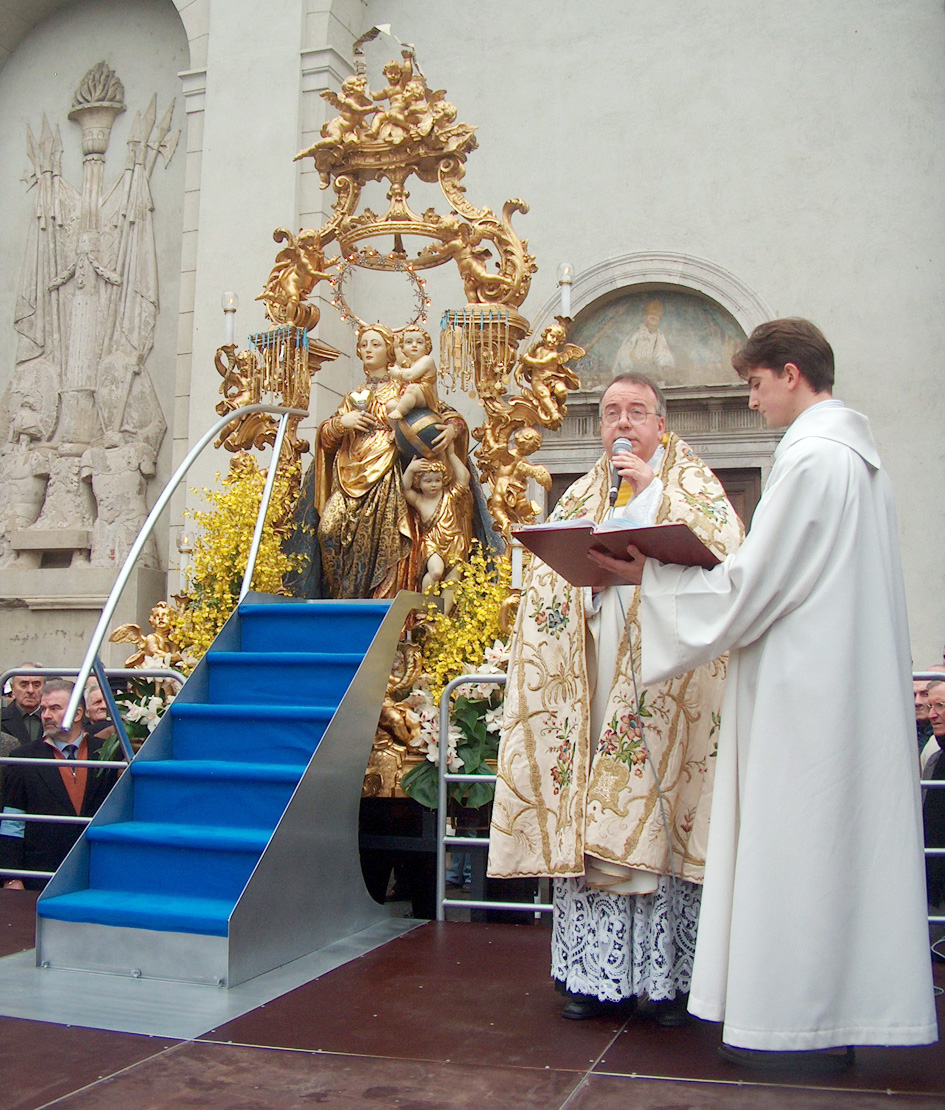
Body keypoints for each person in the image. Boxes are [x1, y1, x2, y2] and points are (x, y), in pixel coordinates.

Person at [590, 319, 937, 1064]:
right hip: (834, 681)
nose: (749, 403)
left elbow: (750, 585)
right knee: (837, 849)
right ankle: (838, 1014)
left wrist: (649, 576)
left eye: (753, 385)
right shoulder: (857, 457)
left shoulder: (811, 459)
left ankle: (793, 1024)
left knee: (797, 847)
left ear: (789, 372)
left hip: (800, 693)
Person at [488, 372, 743, 1023]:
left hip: (666, 695)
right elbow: (547, 587)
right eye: (609, 414)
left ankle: (668, 981)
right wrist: (584, 587)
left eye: (636, 412)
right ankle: (589, 977)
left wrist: (651, 524)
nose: (622, 424)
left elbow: (731, 567)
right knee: (593, 821)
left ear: (661, 423)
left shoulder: (695, 487)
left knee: (655, 824)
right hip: (598, 687)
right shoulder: (581, 492)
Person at [315, 324, 469, 599]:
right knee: (329, 528)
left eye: (375, 344)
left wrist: (453, 429)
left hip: (389, 477)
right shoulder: (353, 396)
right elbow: (326, 437)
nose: (367, 350)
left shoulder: (405, 387)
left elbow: (440, 412)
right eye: (363, 345)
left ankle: (381, 609)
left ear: (390, 351)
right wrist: (342, 423)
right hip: (351, 472)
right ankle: (342, 602)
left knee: (389, 544)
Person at [0, 679, 118, 890]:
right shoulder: (23, 758)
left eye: (55, 708)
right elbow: (12, 823)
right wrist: (11, 876)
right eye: (44, 708)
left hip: (96, 871)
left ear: (78, 713)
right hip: (39, 875)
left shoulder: (108, 754)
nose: (45, 715)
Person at [402, 447, 473, 594]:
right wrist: (410, 470)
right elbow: (404, 490)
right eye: (428, 481)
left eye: (437, 480)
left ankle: (442, 617)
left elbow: (464, 478)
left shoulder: (450, 496)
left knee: (453, 581)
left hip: (454, 541)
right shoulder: (419, 500)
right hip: (432, 542)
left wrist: (451, 453)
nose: (433, 484)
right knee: (435, 572)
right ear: (419, 483)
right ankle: (425, 608)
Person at [387, 326, 440, 423]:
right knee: (391, 405)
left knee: (412, 388)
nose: (414, 345)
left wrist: (397, 373)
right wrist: (396, 346)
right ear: (403, 347)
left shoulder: (427, 360)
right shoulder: (411, 362)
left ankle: (399, 411)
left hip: (426, 395)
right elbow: (400, 359)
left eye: (419, 342)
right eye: (409, 342)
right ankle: (396, 429)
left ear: (427, 346)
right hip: (413, 395)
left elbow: (410, 375)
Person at [1, 665, 44, 746]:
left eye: (36, 685)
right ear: (13, 688)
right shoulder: (2, 717)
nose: (30, 690)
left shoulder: (56, 719)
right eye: (24, 685)